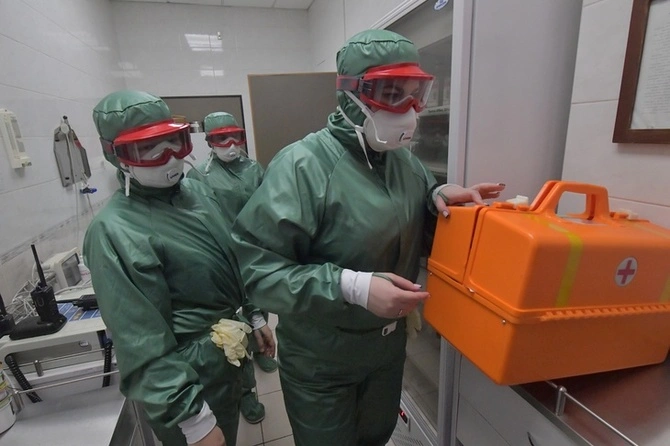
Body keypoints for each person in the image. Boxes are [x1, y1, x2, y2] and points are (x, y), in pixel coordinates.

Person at [231, 30, 505, 446]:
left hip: (385, 353)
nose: (408, 109)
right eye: (391, 94)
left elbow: (410, 229)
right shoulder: (302, 166)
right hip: (322, 358)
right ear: (351, 94)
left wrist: (439, 200)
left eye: (415, 94)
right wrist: (352, 287)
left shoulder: (405, 164)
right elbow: (259, 273)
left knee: (377, 435)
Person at [83, 90, 275, 446]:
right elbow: (140, 340)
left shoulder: (196, 193)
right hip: (186, 378)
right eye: (148, 148)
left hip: (225, 355)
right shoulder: (114, 231)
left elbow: (230, 262)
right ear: (117, 155)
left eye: (174, 141)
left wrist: (254, 316)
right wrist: (194, 421)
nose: (169, 157)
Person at [186, 112, 277, 425]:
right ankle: (245, 391)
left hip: (255, 250)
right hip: (222, 257)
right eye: (220, 138)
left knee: (260, 303)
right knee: (234, 324)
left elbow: (267, 205)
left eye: (235, 136)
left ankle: (262, 346)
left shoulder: (254, 168)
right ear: (209, 141)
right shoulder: (199, 174)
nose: (230, 144)